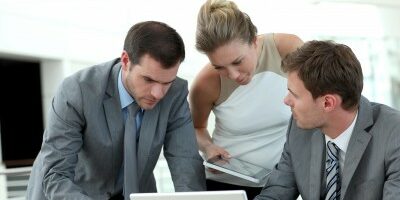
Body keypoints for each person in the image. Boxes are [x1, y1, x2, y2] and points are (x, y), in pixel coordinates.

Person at [26, 21, 206, 200]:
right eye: (148, 80)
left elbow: (186, 164)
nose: (158, 94)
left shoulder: (175, 93)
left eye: (167, 82)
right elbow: (56, 175)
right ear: (126, 61)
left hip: (136, 193)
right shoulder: (77, 91)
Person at [254, 40, 400, 200]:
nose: (286, 101)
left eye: (294, 94)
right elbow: (276, 193)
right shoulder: (298, 129)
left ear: (328, 103)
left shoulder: (394, 134)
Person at [189, 0, 303, 199]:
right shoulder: (204, 83)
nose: (232, 75)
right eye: (219, 67)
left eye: (237, 62)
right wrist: (208, 148)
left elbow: (316, 101)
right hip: (224, 185)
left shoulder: (289, 50)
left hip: (281, 185)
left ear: (254, 41)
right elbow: (196, 127)